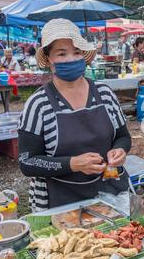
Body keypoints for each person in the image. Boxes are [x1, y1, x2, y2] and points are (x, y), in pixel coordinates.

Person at [18, 19, 131, 212]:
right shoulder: (38, 104)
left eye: (76, 52)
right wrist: (72, 164)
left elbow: (123, 136)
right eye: (62, 53)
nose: (71, 59)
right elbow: (27, 162)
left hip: (110, 192)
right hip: (59, 201)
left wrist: (120, 150)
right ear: (49, 60)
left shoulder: (104, 93)